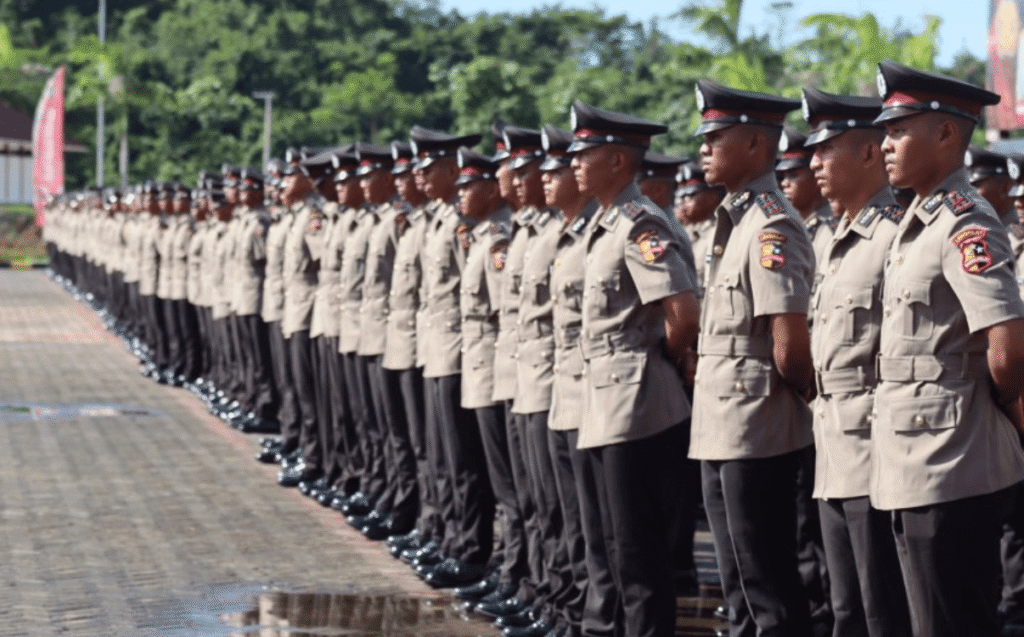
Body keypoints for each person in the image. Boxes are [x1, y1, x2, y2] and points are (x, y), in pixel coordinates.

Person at [872, 59, 1024, 637]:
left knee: (951, 622)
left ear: (943, 133)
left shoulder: (965, 222)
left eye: (897, 131)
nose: (885, 145)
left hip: (951, 458)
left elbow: (1007, 347)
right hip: (915, 455)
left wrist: (991, 410)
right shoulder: (919, 219)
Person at [569, 99, 700, 637]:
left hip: (637, 403)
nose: (575, 164)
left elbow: (683, 312)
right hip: (605, 398)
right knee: (611, 543)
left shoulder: (639, 223)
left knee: (639, 550)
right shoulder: (604, 224)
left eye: (586, 154)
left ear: (619, 161)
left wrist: (663, 357)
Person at [690, 78, 816, 637]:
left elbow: (790, 345)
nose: (703, 148)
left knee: (766, 581)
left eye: (715, 138)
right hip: (721, 420)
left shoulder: (770, 225)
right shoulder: (736, 219)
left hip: (756, 424)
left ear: (754, 144)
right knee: (738, 579)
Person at [801, 84, 913, 637]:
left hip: (876, 452)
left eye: (826, 150)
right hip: (833, 448)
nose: (813, 163)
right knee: (846, 607)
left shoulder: (894, 238)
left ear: (869, 152)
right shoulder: (834, 239)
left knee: (882, 609)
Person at [778, 126, 836, 265]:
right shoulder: (795, 225)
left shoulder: (831, 228)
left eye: (793, 174)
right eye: (783, 176)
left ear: (815, 176)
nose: (785, 183)